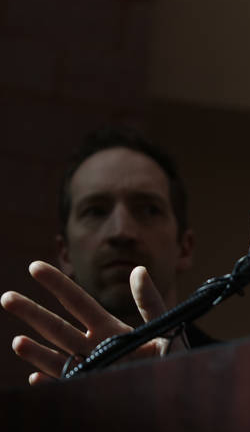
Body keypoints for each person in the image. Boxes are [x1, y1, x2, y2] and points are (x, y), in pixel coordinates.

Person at [3, 128, 207, 384]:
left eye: (149, 210)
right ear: (64, 252)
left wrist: (192, 390)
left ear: (185, 247)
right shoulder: (34, 404)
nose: (121, 231)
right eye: (96, 211)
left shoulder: (241, 378)